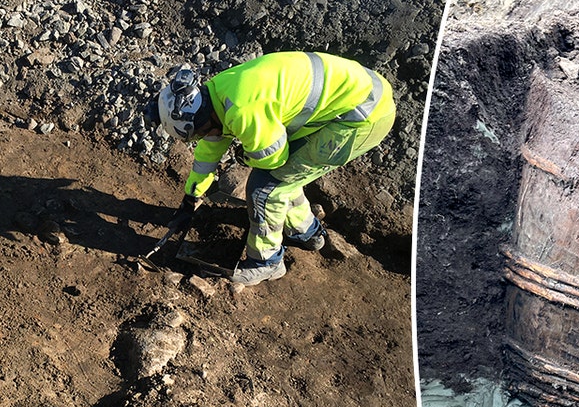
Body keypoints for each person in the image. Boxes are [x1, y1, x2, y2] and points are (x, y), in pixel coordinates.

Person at [146, 51, 396, 285]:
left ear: (200, 119)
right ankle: (306, 233)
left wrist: (246, 156)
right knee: (290, 175)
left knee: (266, 186)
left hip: (362, 117)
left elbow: (273, 160)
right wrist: (190, 198)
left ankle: (267, 262)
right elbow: (209, 150)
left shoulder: (244, 111)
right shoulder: (216, 94)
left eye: (199, 133)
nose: (203, 137)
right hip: (358, 94)